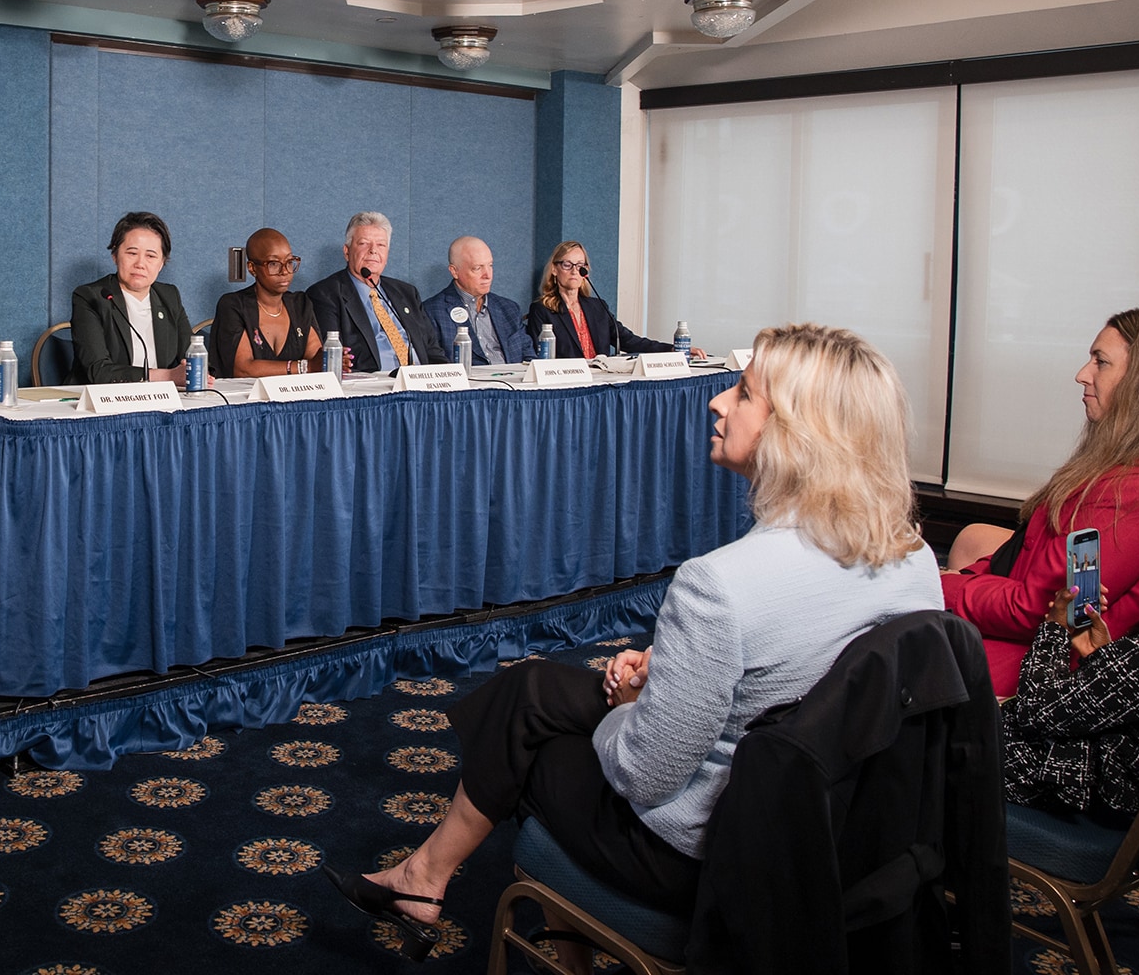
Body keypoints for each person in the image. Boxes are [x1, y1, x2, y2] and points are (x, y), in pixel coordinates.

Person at [322, 324, 944, 958]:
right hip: (847, 843)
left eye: (745, 393)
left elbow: (644, 777)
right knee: (531, 689)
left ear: (797, 434)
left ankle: (478, 900)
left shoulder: (720, 588)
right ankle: (423, 879)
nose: (718, 402)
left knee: (536, 745)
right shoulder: (916, 559)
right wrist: (675, 671)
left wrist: (631, 707)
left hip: (713, 859)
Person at [942, 308, 1139, 697]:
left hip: (1045, 674)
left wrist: (942, 588)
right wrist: (962, 582)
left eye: (1100, 362)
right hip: (1042, 652)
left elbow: (1040, 611)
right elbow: (1024, 562)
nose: (1082, 374)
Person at [1003, 516, 1139, 816]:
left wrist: (1053, 631)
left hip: (1071, 794)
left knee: (943, 738)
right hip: (1131, 800)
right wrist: (1102, 658)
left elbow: (1035, 712)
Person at [305, 212, 446, 373]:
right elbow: (335, 358)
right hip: (374, 386)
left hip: (421, 382)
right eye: (364, 243)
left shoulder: (407, 293)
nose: (373, 251)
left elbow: (432, 350)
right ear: (347, 252)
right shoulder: (325, 295)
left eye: (381, 245)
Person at [69, 211, 200, 385]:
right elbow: (98, 370)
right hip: (100, 400)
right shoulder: (91, 297)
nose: (140, 264)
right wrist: (168, 376)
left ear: (161, 263)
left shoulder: (169, 296)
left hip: (159, 398)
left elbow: (192, 355)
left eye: (151, 256)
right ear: (115, 255)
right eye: (131, 253)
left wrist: (199, 371)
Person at [526, 239, 677, 359]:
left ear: (586, 271)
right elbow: (537, 356)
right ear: (554, 269)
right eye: (567, 265)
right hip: (566, 386)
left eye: (580, 265)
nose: (574, 271)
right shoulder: (542, 310)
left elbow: (627, 340)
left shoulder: (598, 307)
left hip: (600, 384)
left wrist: (671, 349)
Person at [209, 228, 323, 378]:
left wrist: (332, 360)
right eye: (274, 264)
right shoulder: (233, 305)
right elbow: (243, 369)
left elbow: (316, 359)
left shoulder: (300, 304)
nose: (285, 271)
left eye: (289, 262)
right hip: (246, 398)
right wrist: (304, 367)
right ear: (252, 268)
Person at [421, 236, 532, 365]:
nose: (488, 275)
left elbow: (529, 357)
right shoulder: (432, 312)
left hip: (514, 382)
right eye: (477, 268)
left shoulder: (509, 309)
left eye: (490, 265)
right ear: (454, 271)